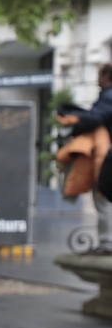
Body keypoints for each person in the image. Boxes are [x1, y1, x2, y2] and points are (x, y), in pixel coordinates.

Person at [62, 63, 112, 253]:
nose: (97, 80)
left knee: (104, 195)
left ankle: (107, 244)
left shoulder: (108, 97)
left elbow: (95, 118)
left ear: (107, 77)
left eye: (99, 75)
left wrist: (76, 122)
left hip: (107, 156)